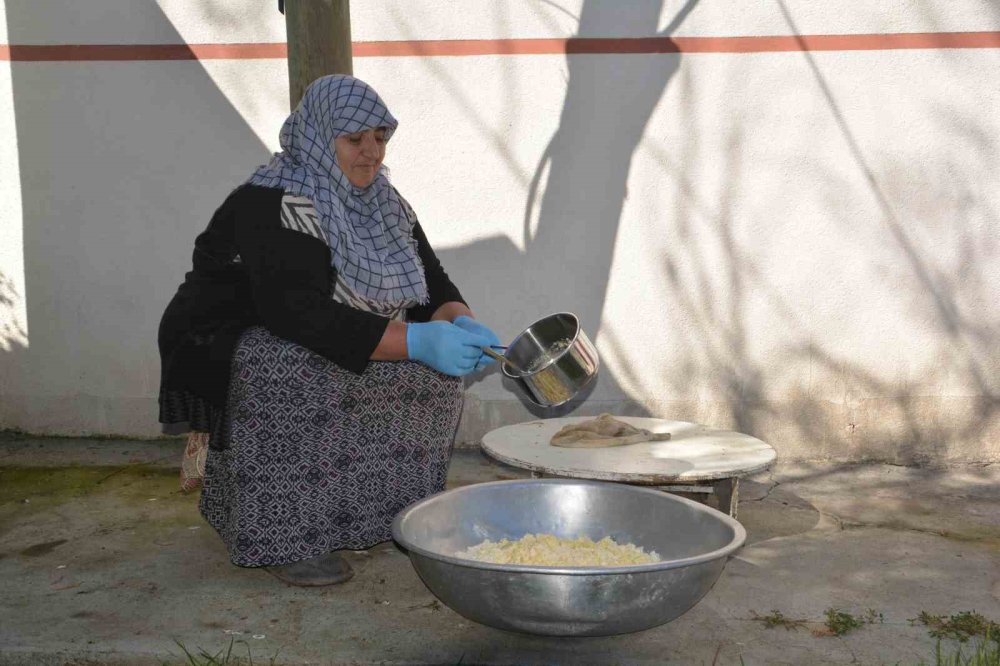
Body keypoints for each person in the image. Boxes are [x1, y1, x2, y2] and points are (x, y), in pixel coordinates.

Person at [157, 74, 501, 586]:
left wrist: (461, 322)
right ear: (320, 135)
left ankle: (391, 515)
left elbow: (432, 281)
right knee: (297, 365)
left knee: (430, 378)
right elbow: (296, 313)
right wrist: (418, 340)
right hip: (227, 336)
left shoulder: (385, 203)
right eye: (355, 139)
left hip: (306, 327)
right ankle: (285, 535)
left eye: (380, 138)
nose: (371, 153)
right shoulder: (275, 200)